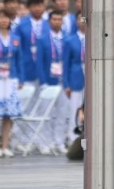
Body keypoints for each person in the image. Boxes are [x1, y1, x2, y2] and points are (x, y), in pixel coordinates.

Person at [0, 10, 23, 158]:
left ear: (10, 20)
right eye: (0, 18)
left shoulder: (15, 38)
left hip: (11, 78)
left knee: (8, 114)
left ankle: (6, 145)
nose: (3, 20)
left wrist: (20, 79)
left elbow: (19, 60)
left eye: (6, 18)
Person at [37, 9, 69, 154]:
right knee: (46, 113)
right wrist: (43, 82)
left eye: (59, 19)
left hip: (63, 81)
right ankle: (45, 142)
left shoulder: (67, 38)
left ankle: (59, 141)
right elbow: (39, 62)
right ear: (49, 21)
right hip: (48, 81)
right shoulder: (42, 39)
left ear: (62, 21)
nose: (56, 22)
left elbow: (69, 61)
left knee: (62, 113)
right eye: (54, 19)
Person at [63, 13, 86, 145]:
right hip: (75, 77)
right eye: (80, 19)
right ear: (76, 22)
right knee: (75, 108)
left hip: (90, 75)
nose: (83, 21)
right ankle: (73, 137)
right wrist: (66, 84)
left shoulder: (94, 38)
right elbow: (65, 64)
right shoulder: (70, 40)